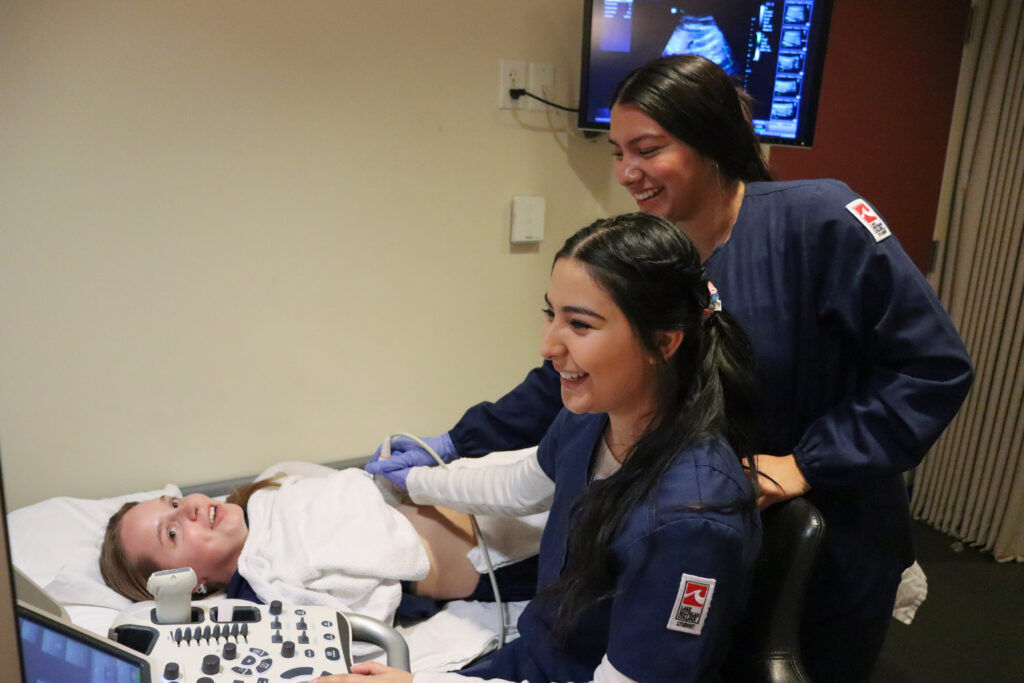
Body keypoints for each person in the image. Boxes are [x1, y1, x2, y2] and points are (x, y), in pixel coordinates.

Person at [366, 55, 974, 682]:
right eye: (617, 152)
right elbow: (554, 406)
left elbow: (932, 368)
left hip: (819, 529)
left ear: (712, 139)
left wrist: (806, 463)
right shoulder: (658, 260)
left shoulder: (818, 223)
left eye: (647, 149)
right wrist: (447, 453)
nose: (628, 172)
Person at [324, 213, 763, 683]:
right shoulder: (592, 418)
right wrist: (415, 480)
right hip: (535, 659)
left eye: (579, 324)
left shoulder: (691, 522)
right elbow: (519, 485)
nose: (548, 344)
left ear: (663, 342)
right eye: (550, 314)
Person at [100, 468, 505, 624]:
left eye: (173, 503)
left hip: (485, 487)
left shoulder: (273, 488)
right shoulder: (266, 598)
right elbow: (367, 616)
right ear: (190, 584)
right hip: (500, 561)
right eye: (171, 534)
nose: (188, 507)